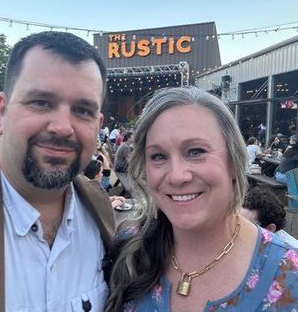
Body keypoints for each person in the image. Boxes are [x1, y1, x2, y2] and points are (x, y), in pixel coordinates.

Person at [0, 31, 115, 311]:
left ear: (97, 124)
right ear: (2, 111)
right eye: (41, 102)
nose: (62, 126)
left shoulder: (98, 207)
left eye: (83, 110)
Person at [105, 87, 298, 311]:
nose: (177, 176)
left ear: (234, 162)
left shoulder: (288, 275)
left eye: (196, 152)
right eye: (158, 156)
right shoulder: (128, 251)